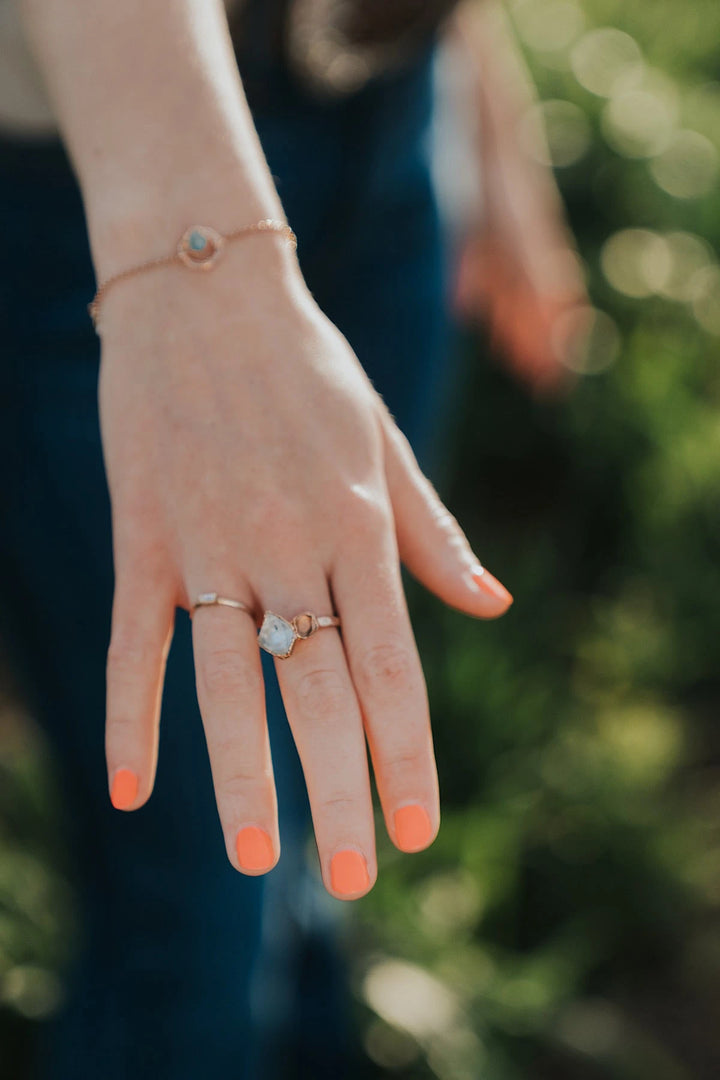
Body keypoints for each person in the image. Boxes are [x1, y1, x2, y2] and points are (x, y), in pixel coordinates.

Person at [0, 0, 583, 1076]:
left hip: (396, 111)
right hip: (109, 176)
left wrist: (490, 110)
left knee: (311, 811)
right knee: (191, 925)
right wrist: (203, 272)